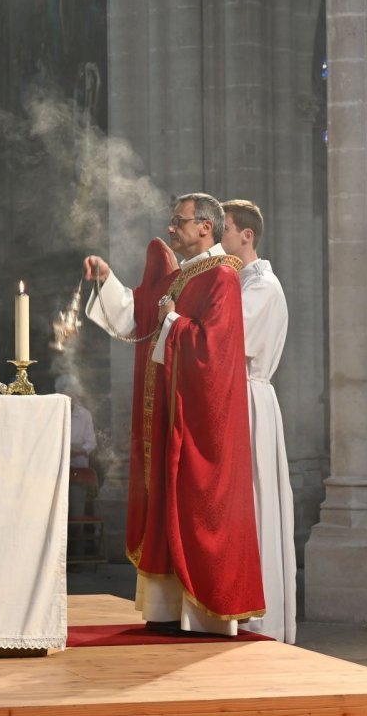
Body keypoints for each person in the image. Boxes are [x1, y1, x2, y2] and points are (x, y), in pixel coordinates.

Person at [83, 192, 264, 635]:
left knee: (196, 503)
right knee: (164, 501)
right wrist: (107, 279)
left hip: (200, 420)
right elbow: (139, 317)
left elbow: (214, 352)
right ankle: (168, 609)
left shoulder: (222, 277)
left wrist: (173, 321)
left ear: (205, 226)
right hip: (166, 415)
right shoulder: (183, 276)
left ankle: (203, 614)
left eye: (178, 221)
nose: (170, 229)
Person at [220, 198, 295, 644]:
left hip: (249, 397)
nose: (219, 239)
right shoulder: (240, 282)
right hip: (235, 394)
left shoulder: (263, 285)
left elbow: (230, 338)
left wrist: (176, 321)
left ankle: (260, 620)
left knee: (256, 501)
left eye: (224, 230)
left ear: (246, 236)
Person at [55, 374, 99, 517]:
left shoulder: (84, 415)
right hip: (57, 469)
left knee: (76, 509)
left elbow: (91, 442)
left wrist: (79, 450)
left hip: (78, 470)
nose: (71, 394)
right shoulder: (54, 413)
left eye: (73, 391)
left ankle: (77, 538)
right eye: (67, 391)